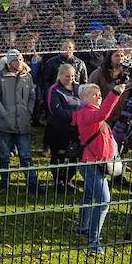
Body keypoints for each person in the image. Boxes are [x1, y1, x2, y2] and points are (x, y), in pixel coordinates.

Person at [73, 83, 125, 254]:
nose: (98, 97)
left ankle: (84, 227)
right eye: (94, 94)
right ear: (83, 97)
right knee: (103, 201)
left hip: (97, 163)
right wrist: (115, 93)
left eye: (100, 94)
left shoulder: (94, 115)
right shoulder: (86, 113)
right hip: (90, 164)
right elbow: (103, 113)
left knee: (89, 196)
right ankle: (94, 240)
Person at [0, 49, 42, 190]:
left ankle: (32, 182)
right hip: (5, 123)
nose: (19, 62)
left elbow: (32, 94)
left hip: (23, 122)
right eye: (16, 59)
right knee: (4, 155)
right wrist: (4, 114)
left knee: (25, 154)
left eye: (20, 59)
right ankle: (4, 181)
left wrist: (28, 110)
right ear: (9, 62)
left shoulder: (27, 76)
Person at [45, 64, 82, 192]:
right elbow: (55, 109)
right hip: (58, 129)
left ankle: (68, 180)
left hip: (76, 130)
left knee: (75, 155)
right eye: (67, 76)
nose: (70, 78)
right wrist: (75, 116)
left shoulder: (78, 89)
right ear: (60, 76)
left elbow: (84, 103)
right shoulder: (54, 89)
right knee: (58, 156)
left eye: (72, 76)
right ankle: (58, 181)